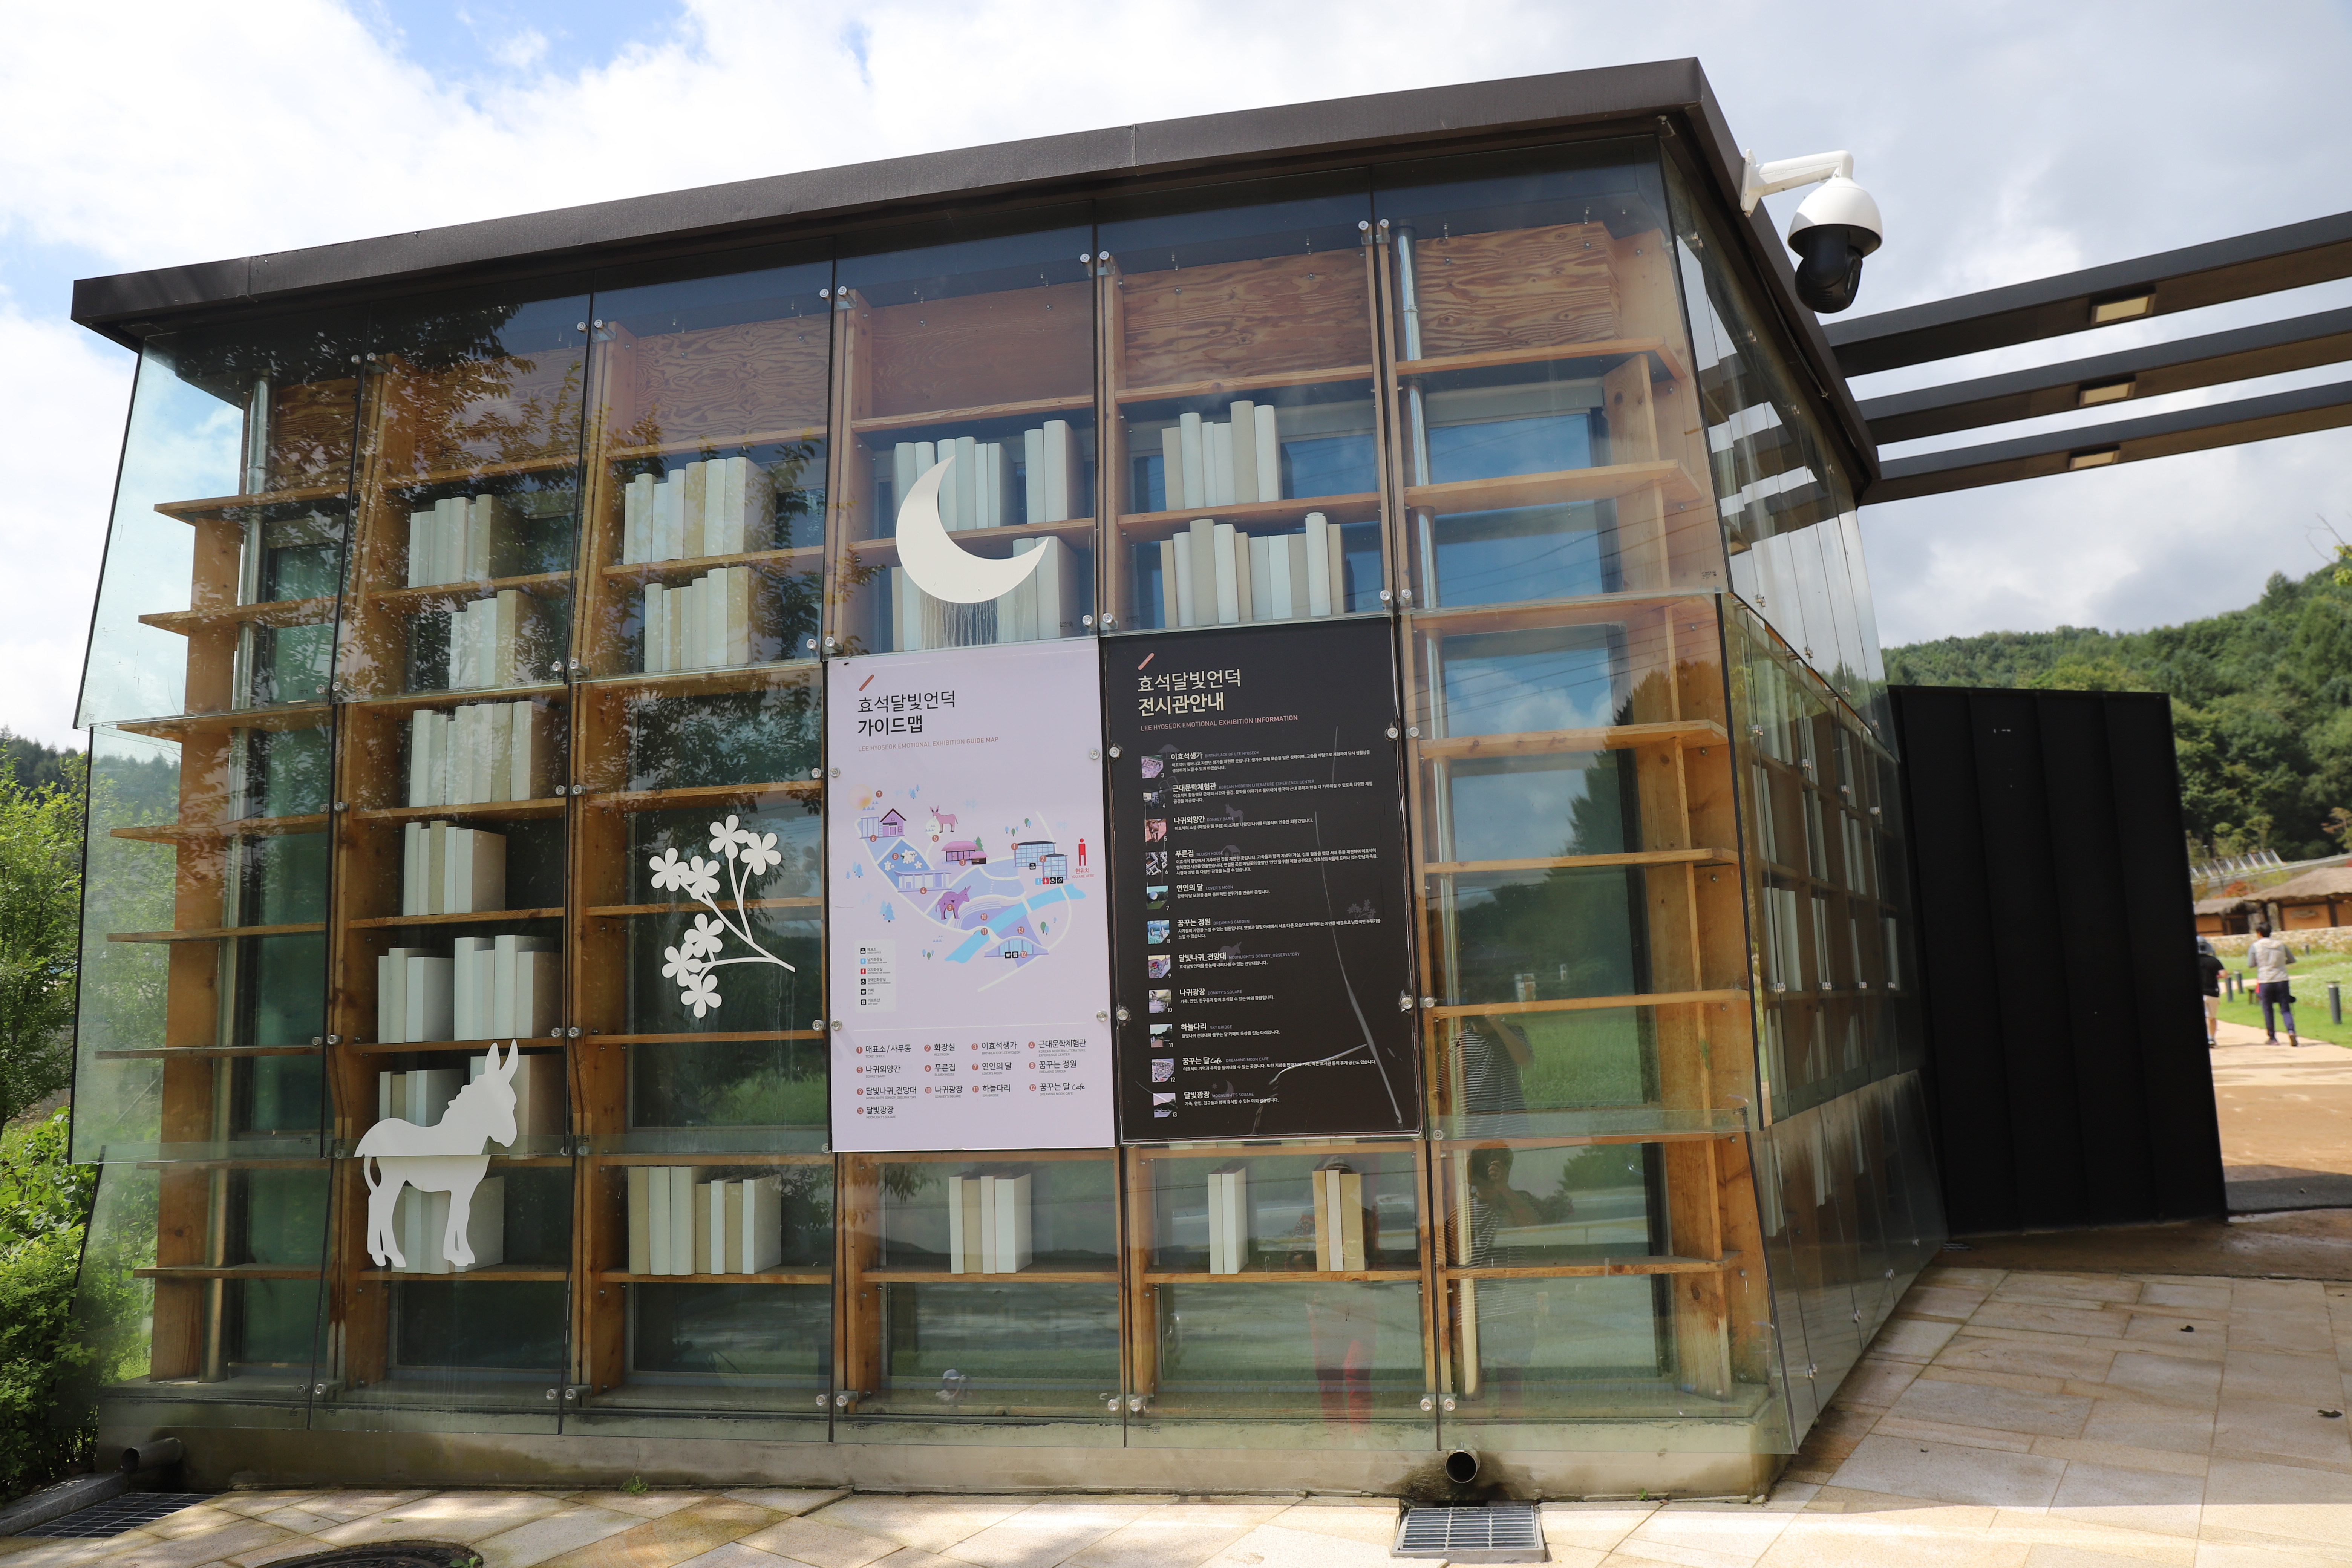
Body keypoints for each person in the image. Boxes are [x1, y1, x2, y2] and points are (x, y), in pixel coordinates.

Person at [2246, 922, 2300, 1047]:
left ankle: (2272, 1037)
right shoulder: (2281, 945)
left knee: (2268, 1009)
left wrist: (2263, 964)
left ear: (2259, 933)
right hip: (2282, 979)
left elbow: (2251, 964)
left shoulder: (2256, 946)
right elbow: (2292, 960)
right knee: (2285, 1008)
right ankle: (2291, 1031)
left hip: (2266, 980)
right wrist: (2280, 964)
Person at [2197, 938, 2225, 1048]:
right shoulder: (2214, 961)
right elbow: (2224, 974)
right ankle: (2211, 1038)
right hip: (2212, 993)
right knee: (2211, 1017)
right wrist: (2215, 976)